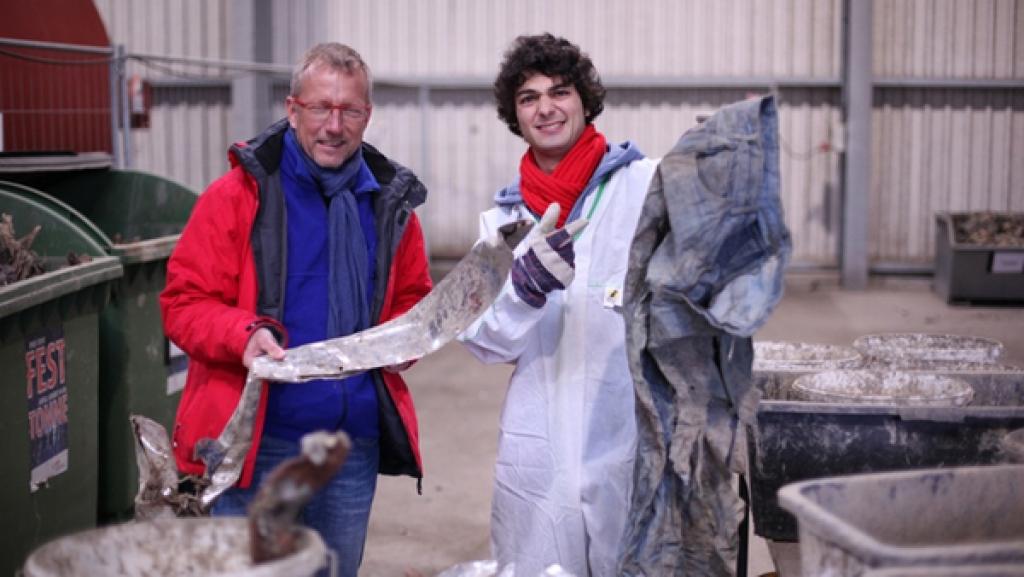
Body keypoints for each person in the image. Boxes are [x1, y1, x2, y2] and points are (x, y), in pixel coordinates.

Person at [160, 42, 432, 576]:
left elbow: (413, 301)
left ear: (366, 116)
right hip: (256, 444)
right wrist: (244, 334)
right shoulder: (238, 197)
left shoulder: (388, 206)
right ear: (292, 109)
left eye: (349, 110)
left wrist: (408, 346)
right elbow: (182, 303)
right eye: (319, 108)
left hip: (349, 448)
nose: (334, 125)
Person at [458, 33, 658, 577]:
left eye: (560, 91)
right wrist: (521, 293)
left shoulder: (643, 187)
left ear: (584, 100)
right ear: (515, 116)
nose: (546, 108)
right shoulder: (501, 224)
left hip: (627, 433)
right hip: (539, 442)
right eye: (528, 98)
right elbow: (482, 340)